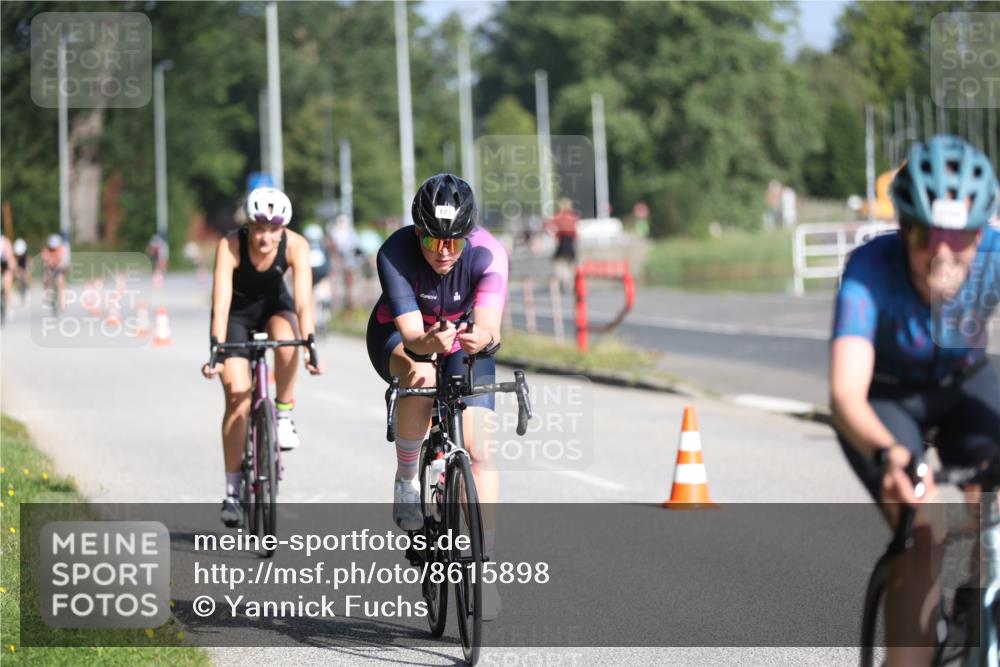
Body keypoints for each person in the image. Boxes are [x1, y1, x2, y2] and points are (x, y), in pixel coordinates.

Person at [830, 135, 1000, 665]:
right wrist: (889, 454)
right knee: (924, 527)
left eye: (963, 236)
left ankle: (983, 603)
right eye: (929, 235)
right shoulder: (869, 271)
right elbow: (845, 392)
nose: (946, 253)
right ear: (904, 227)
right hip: (886, 401)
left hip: (962, 384)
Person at [366, 173, 508, 617]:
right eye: (432, 241)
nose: (444, 253)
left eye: (454, 243)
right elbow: (412, 335)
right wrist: (432, 341)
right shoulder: (394, 252)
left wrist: (478, 338)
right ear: (417, 232)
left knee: (479, 448)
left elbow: (490, 329)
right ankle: (407, 477)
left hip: (460, 338)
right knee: (422, 379)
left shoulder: (489, 254)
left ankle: (482, 567)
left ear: (469, 236)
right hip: (399, 337)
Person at [201, 187, 323, 527]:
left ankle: (283, 414)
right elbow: (221, 300)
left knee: (287, 340)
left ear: (282, 228)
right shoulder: (230, 245)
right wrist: (216, 348)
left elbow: (302, 303)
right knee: (238, 400)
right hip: (237, 316)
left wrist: (310, 344)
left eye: (273, 229)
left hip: (274, 308)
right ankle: (232, 491)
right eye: (258, 228)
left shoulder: (297, 245)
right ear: (249, 226)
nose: (265, 236)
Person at [544, 197, 580, 292]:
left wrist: (553, 234)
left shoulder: (559, 216)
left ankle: (566, 281)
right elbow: (576, 231)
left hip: (563, 242)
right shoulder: (573, 216)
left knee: (559, 263)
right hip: (570, 242)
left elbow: (547, 224)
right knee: (570, 263)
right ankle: (571, 282)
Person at [40, 234, 69, 312]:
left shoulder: (62, 249)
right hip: (49, 267)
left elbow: (64, 262)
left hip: (59, 267)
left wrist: (62, 266)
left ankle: (62, 302)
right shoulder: (46, 250)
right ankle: (47, 295)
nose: (53, 248)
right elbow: (44, 262)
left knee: (60, 282)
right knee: (45, 279)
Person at [13, 238, 30, 304]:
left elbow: (28, 263)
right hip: (18, 265)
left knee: (26, 276)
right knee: (16, 276)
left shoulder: (26, 254)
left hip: (24, 265)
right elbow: (14, 263)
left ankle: (26, 290)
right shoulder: (15, 254)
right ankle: (18, 291)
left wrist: (27, 269)